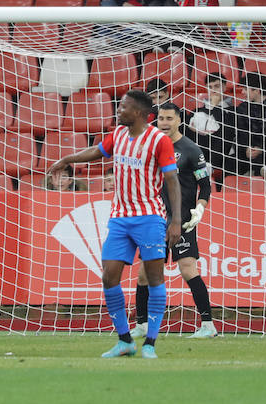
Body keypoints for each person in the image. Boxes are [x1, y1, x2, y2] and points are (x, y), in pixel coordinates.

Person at [47, 90, 181, 359]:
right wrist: (68, 159)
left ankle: (150, 343)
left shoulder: (158, 141)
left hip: (149, 217)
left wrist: (175, 220)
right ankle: (124, 340)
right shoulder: (118, 134)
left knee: (154, 277)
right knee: (109, 275)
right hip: (120, 217)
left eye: (124, 107)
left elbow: (172, 181)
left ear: (141, 114)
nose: (119, 111)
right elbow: (98, 151)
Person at [131, 104, 216, 340]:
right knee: (144, 274)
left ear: (179, 120)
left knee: (188, 269)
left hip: (182, 220)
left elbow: (205, 185)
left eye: (169, 118)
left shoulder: (190, 150)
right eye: (161, 118)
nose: (165, 122)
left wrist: (200, 208)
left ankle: (208, 325)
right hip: (155, 219)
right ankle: (142, 325)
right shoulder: (151, 147)